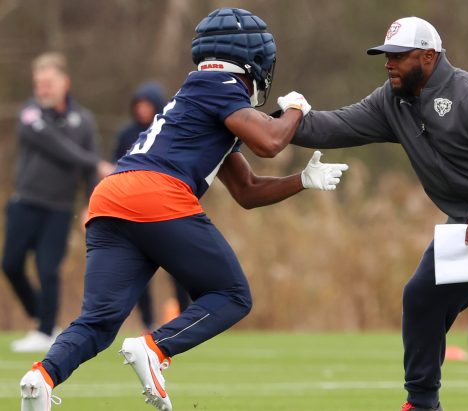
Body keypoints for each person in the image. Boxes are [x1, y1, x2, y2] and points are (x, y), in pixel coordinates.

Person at [18, 8, 348, 411]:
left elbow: (246, 190)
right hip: (156, 193)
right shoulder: (220, 85)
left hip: (111, 197)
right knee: (232, 294)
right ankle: (155, 349)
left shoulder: (198, 97)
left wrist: (301, 180)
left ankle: (42, 377)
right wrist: (296, 108)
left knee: (99, 320)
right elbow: (270, 142)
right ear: (254, 60)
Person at [291, 16, 468, 411]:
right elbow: (331, 127)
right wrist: (281, 118)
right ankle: (422, 402)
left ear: (428, 55)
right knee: (422, 297)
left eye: (398, 56)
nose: (388, 63)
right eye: (385, 56)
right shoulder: (392, 101)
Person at [2, 52, 114, 353]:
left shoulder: (84, 120)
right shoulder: (30, 113)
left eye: (48, 83)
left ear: (65, 82)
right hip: (25, 203)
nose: (42, 89)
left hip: (59, 208)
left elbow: (91, 172)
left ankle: (45, 330)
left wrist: (93, 201)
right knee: (10, 264)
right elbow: (56, 146)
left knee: (48, 269)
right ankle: (44, 318)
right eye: (38, 83)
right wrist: (96, 162)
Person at [113, 81, 191, 330]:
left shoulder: (171, 131)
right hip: (133, 213)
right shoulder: (126, 134)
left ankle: (185, 318)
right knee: (138, 272)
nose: (142, 110)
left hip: (167, 210)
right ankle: (147, 322)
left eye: (147, 105)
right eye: (139, 105)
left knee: (179, 269)